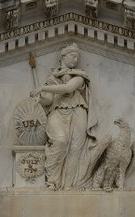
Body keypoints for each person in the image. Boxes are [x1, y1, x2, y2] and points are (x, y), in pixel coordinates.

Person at [30, 43, 96, 189]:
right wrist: (40, 99)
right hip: (57, 111)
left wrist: (42, 87)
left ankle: (68, 186)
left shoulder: (79, 76)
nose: (75, 59)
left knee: (74, 149)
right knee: (60, 141)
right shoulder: (52, 77)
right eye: (72, 56)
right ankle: (53, 181)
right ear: (63, 56)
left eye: (77, 56)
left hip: (78, 111)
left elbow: (67, 88)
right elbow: (49, 99)